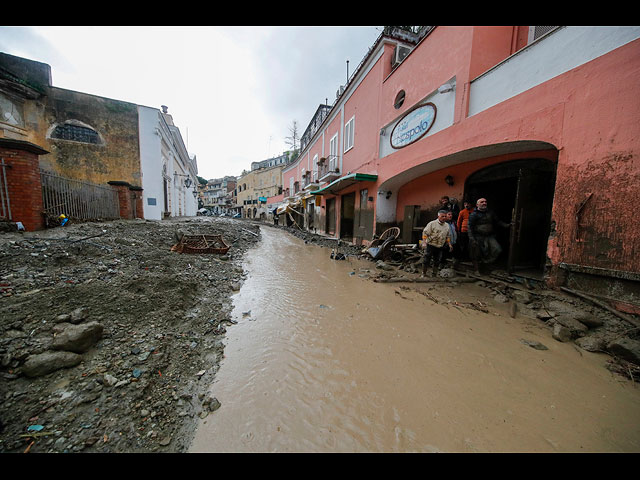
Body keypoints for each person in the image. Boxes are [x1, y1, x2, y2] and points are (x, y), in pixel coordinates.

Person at [467, 198, 511, 274]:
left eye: (485, 202)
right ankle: (476, 270)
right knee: (476, 253)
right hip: (478, 236)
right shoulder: (473, 214)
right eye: (482, 202)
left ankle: (485, 263)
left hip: (489, 236)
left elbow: (497, 221)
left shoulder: (490, 213)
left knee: (497, 249)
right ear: (477, 205)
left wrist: (507, 225)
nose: (484, 203)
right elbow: (469, 227)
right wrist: (472, 239)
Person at [421, 210, 453, 277]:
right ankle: (423, 273)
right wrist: (424, 242)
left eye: (445, 216)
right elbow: (425, 233)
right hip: (431, 244)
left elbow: (448, 236)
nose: (444, 218)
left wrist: (449, 244)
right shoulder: (432, 224)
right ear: (438, 216)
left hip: (440, 246)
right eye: (442, 216)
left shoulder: (447, 225)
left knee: (437, 260)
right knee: (426, 259)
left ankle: (434, 274)